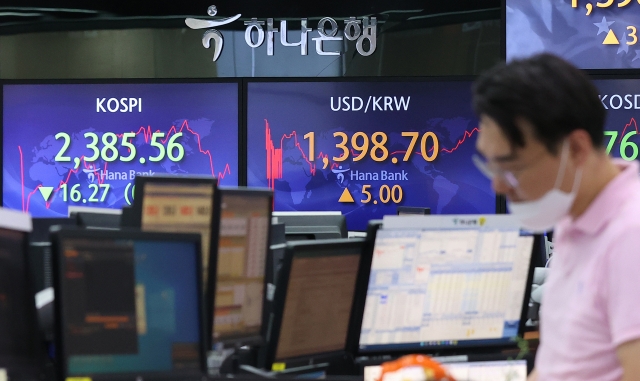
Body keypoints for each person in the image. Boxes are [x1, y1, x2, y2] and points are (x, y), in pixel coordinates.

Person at [471, 53, 640, 381]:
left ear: (575, 149)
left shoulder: (630, 237)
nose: (499, 185)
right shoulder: (573, 216)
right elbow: (563, 366)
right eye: (492, 166)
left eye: (512, 167)